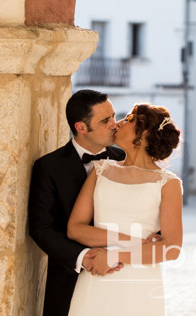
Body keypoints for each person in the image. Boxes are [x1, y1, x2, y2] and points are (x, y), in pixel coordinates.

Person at [66, 103, 183, 316]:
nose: (118, 123)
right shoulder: (100, 170)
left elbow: (172, 248)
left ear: (144, 131)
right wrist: (132, 241)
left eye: (128, 119)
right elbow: (75, 229)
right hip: (96, 276)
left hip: (137, 283)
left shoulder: (168, 183)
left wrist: (114, 256)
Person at [28, 89, 126, 316]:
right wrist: (84, 257)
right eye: (105, 121)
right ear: (81, 127)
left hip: (122, 277)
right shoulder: (49, 167)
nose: (114, 125)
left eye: (113, 116)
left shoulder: (126, 159)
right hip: (69, 281)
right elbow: (41, 228)